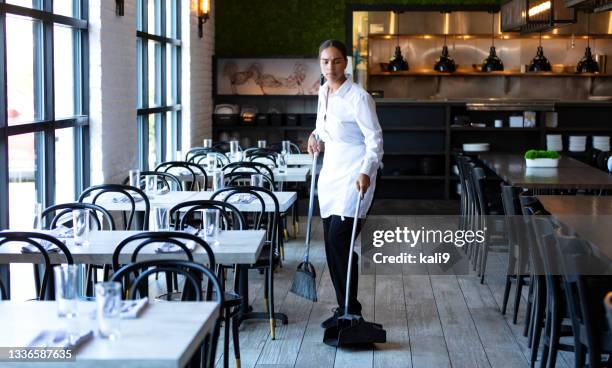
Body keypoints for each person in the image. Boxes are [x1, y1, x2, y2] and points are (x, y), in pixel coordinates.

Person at [307, 39, 384, 328]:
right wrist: (314, 137)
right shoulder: (323, 91)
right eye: (325, 61)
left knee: (339, 240)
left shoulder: (359, 97)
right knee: (332, 244)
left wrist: (366, 170)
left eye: (336, 61)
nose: (330, 67)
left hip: (357, 179)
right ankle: (345, 309)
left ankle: (352, 309)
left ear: (346, 63)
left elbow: (375, 141)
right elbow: (322, 127)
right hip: (330, 178)